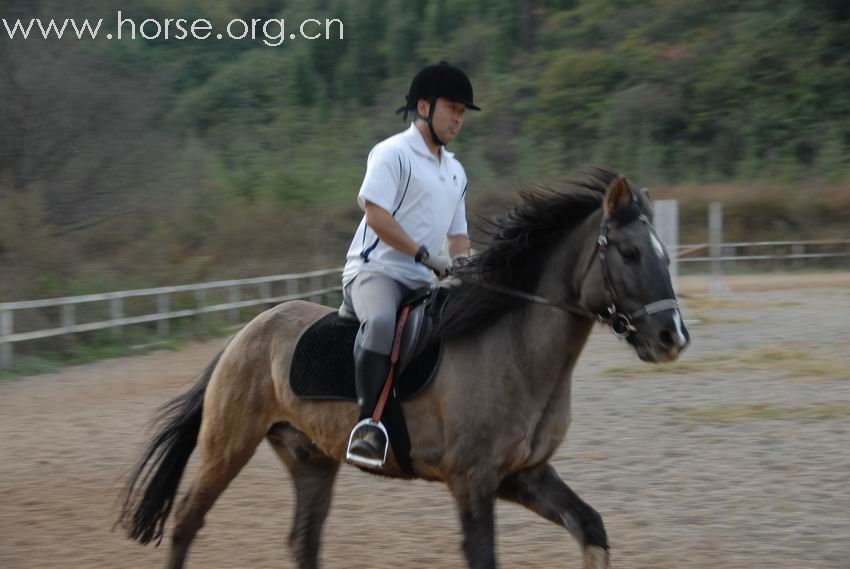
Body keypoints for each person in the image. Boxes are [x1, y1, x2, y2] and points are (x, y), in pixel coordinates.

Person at [338, 61, 480, 465]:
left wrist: (466, 264)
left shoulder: (456, 171)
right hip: (375, 272)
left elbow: (457, 236)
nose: (458, 117)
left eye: (463, 111)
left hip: (425, 279)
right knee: (382, 323)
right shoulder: (392, 154)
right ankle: (368, 426)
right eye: (452, 107)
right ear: (424, 107)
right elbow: (376, 215)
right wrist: (423, 254)